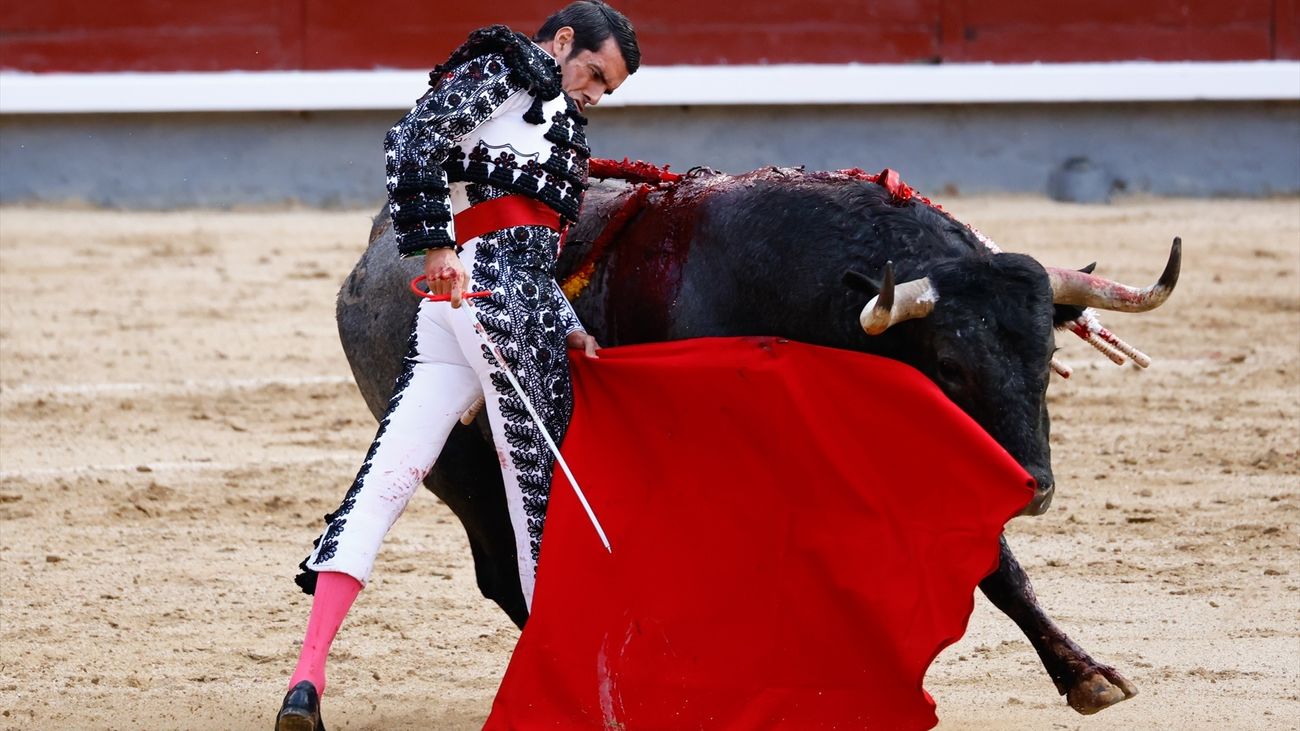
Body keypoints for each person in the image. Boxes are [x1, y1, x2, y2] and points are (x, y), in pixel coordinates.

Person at [275, 3, 639, 728]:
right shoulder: (512, 70)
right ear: (564, 41)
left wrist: (567, 324)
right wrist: (435, 244)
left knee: (385, 478)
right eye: (595, 73)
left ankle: (306, 678)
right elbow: (414, 139)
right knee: (542, 496)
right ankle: (565, 692)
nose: (596, 93)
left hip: (463, 307)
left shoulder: (558, 118)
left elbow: (527, 237)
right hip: (497, 306)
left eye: (609, 88)